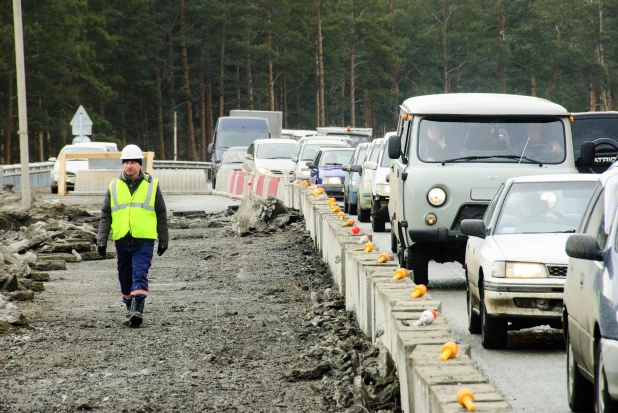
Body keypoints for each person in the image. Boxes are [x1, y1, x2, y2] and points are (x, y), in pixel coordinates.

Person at [97, 144, 168, 328]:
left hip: (144, 239)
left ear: (140, 164)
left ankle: (137, 310)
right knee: (125, 277)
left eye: (133, 163)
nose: (129, 166)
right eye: (126, 162)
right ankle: (129, 307)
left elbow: (161, 213)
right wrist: (101, 240)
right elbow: (106, 215)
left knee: (140, 273)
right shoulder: (114, 186)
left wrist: (163, 239)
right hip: (122, 239)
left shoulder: (152, 185)